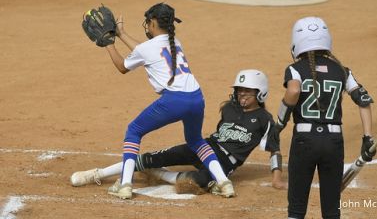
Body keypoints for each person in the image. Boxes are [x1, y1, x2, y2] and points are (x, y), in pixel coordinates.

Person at [71, 69, 287, 195]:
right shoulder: (229, 109)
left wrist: (276, 179)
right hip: (204, 147)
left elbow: (275, 151)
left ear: (260, 93)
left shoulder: (264, 120)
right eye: (239, 90)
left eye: (247, 91)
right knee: (153, 157)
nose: (241, 95)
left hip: (225, 162)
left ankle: (159, 174)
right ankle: (98, 174)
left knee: (196, 182)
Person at [100, 3, 234, 199]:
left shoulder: (149, 47)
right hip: (197, 97)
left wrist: (108, 43)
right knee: (196, 140)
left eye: (148, 22)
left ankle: (125, 184)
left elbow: (122, 66)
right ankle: (224, 182)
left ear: (153, 22)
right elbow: (144, 50)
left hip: (174, 100)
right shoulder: (175, 41)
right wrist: (121, 34)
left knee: (134, 130)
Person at [274, 16, 375, 219]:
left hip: (304, 141)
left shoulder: (295, 69)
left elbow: (293, 91)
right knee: (331, 210)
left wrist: (279, 124)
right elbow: (363, 101)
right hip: (333, 142)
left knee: (296, 208)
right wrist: (367, 137)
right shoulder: (342, 71)